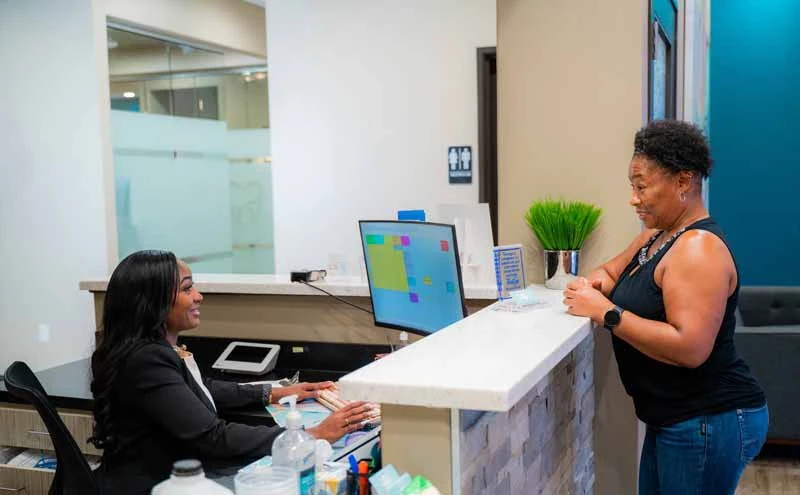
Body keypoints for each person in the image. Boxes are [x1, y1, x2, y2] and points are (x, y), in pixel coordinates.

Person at [563, 120, 767, 495]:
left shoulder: (698, 248)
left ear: (683, 181)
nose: (634, 198)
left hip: (708, 417)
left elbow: (689, 348)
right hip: (674, 417)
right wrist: (590, 284)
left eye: (642, 187)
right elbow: (611, 271)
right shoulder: (657, 237)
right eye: (632, 187)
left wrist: (607, 313)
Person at [90, 250, 376, 494]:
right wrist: (309, 435)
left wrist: (273, 392)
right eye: (187, 289)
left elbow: (198, 388)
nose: (199, 296)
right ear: (154, 302)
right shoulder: (146, 360)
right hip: (155, 486)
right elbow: (213, 436)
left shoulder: (146, 351)